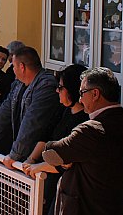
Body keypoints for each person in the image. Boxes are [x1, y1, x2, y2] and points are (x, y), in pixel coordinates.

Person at [42, 67, 123, 215]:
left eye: (82, 93)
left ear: (95, 94)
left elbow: (50, 153)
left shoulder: (91, 130)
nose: (80, 99)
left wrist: (68, 159)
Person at [22, 64, 89, 214]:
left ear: (73, 89)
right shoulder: (63, 109)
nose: (57, 91)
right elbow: (46, 135)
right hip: (50, 178)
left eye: (60, 87)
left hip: (68, 187)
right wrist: (31, 159)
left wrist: (38, 167)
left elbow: (67, 161)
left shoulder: (85, 122)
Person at [0, 46, 60, 169]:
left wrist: (15, 154)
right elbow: (4, 111)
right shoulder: (18, 84)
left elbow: (33, 121)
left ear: (21, 67)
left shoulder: (46, 85)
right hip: (21, 154)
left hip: (36, 160)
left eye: (14, 66)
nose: (12, 70)